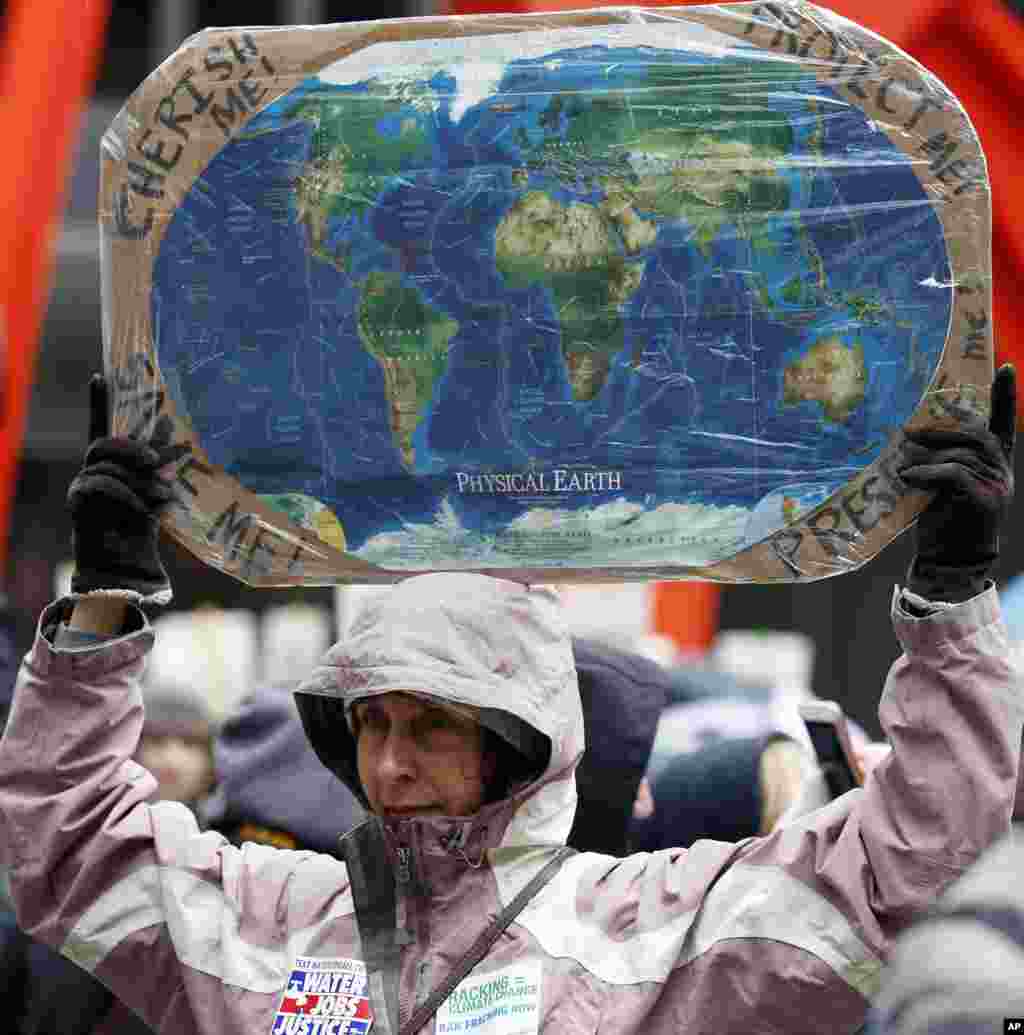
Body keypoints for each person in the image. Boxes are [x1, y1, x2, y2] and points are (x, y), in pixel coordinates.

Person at [0, 365, 1019, 1035]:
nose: (391, 765)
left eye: (435, 727)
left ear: (522, 745)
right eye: (374, 725)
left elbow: (912, 857)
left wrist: (952, 602)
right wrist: (102, 602)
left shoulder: (644, 933)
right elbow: (66, 852)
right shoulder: (274, 922)